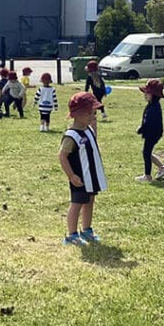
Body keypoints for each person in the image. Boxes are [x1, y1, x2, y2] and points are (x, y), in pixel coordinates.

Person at [59, 92, 107, 246]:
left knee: (90, 201)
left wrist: (94, 122)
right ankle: (71, 234)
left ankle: (86, 229)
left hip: (91, 178)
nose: (94, 116)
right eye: (90, 113)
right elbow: (62, 156)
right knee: (77, 204)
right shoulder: (71, 136)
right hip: (80, 178)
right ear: (77, 115)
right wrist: (71, 175)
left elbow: (94, 139)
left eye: (95, 113)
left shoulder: (88, 130)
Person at [136, 79, 164, 182]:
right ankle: (162, 167)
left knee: (146, 153)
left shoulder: (153, 108)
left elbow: (149, 123)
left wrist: (141, 129)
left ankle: (147, 176)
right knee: (147, 152)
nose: (145, 95)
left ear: (154, 95)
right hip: (153, 133)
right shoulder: (152, 105)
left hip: (152, 134)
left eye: (147, 93)